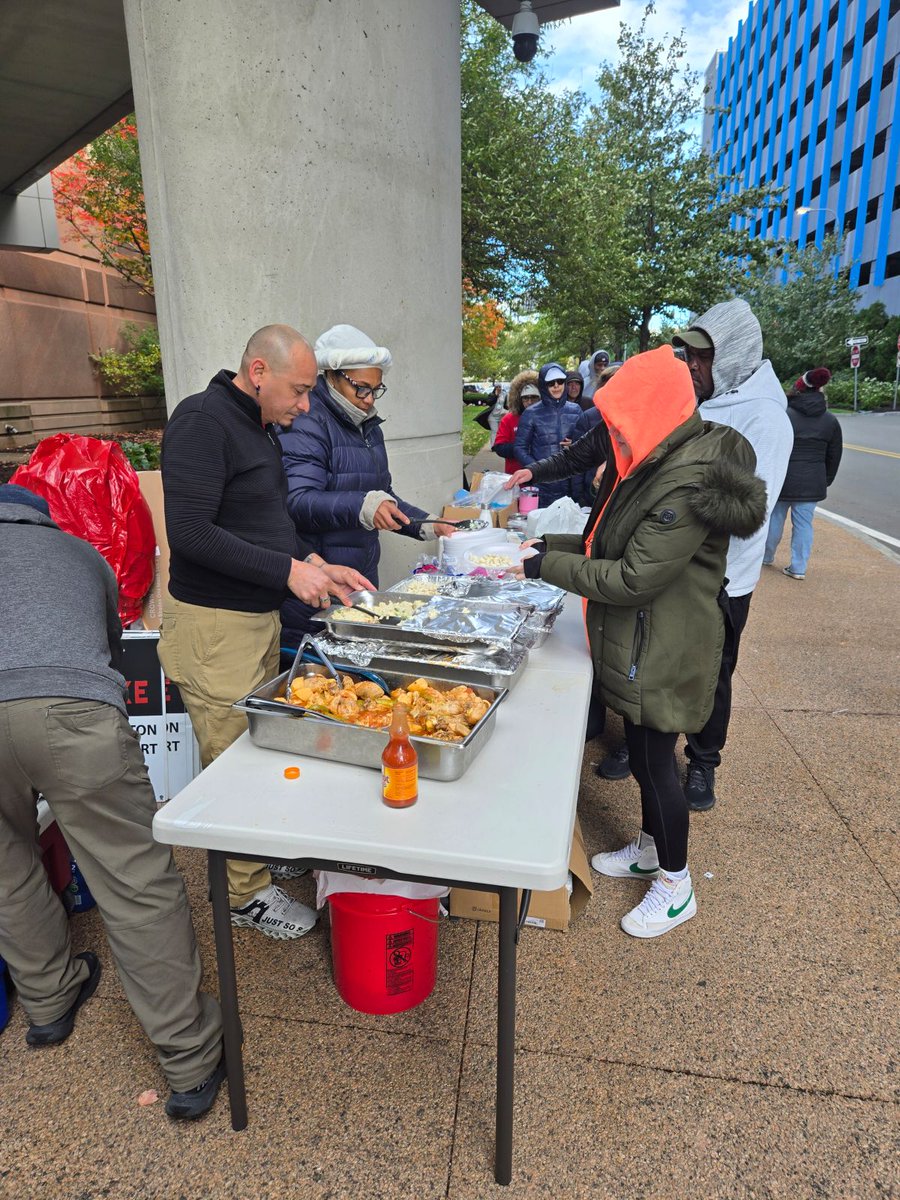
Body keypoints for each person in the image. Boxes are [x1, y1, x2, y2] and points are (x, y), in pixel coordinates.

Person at [519, 349, 766, 938]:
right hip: (644, 636)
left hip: (663, 640)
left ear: (652, 411)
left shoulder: (684, 479)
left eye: (622, 420)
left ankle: (676, 885)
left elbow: (632, 577)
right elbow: (603, 539)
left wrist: (543, 566)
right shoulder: (658, 457)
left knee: (657, 764)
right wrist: (541, 547)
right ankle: (652, 848)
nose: (614, 434)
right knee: (643, 747)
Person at [0, 484, 226, 1119]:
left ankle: (47, 1003)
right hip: (70, 715)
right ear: (40, 519)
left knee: (6, 871)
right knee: (133, 879)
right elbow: (104, 644)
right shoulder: (78, 555)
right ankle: (188, 1059)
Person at [158, 325, 372, 940]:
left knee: (259, 748)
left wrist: (312, 563)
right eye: (299, 391)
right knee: (231, 761)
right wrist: (287, 570)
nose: (305, 405)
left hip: (253, 623)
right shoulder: (202, 420)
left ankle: (259, 851)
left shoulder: (256, 427)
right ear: (258, 371)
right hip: (214, 629)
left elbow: (265, 525)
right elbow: (192, 534)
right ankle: (244, 893)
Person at [598, 300, 793, 805]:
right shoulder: (701, 398)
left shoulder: (764, 416)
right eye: (687, 354)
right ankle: (642, 745)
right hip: (670, 561)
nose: (691, 366)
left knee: (710, 671)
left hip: (722, 577)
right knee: (648, 655)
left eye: (702, 358)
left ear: (732, 357)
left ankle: (703, 761)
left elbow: (747, 512)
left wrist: (661, 513)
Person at [278, 325, 454, 645]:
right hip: (316, 588)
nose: (369, 398)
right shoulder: (305, 421)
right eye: (361, 388)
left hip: (359, 581)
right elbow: (296, 501)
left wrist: (429, 525)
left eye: (376, 389)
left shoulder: (368, 425)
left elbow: (382, 497)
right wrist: (363, 505)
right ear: (332, 375)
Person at [763, 368, 842, 580]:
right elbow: (834, 455)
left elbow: (773, 446)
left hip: (784, 477)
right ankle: (798, 568)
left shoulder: (785, 415)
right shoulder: (830, 421)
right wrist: (826, 479)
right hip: (813, 480)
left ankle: (766, 556)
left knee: (775, 519)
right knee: (804, 524)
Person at [513, 363, 582, 507]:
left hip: (570, 484)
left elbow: (585, 443)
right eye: (551, 383)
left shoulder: (576, 410)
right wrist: (536, 470)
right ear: (544, 385)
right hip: (542, 486)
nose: (556, 386)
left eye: (560, 381)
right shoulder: (531, 413)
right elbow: (520, 448)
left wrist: (575, 444)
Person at [493, 371, 540, 474]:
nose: (530, 401)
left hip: (542, 477)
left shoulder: (547, 417)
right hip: (515, 478)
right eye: (525, 398)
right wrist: (522, 447)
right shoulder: (509, 419)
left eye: (533, 397)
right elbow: (499, 447)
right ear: (519, 398)